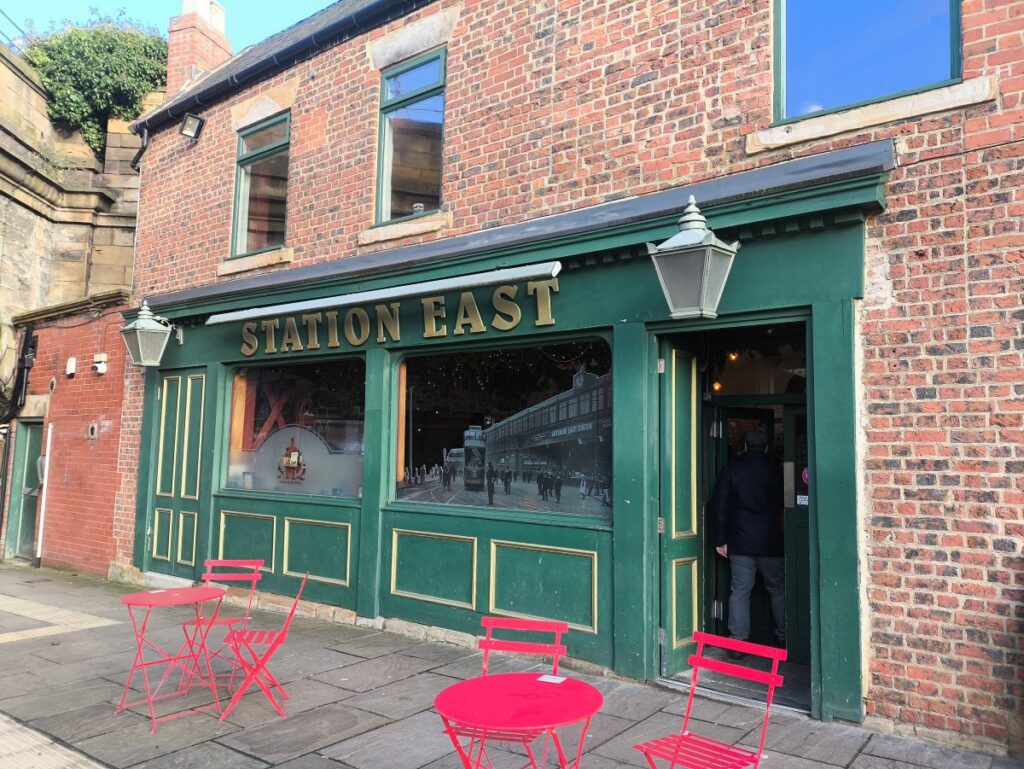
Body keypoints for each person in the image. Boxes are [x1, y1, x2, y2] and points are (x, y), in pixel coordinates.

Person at [711, 429, 785, 659]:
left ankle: (737, 644)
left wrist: (720, 539)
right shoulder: (777, 470)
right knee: (778, 590)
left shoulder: (732, 469)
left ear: (744, 445)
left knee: (740, 591)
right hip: (772, 541)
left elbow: (720, 506)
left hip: (741, 541)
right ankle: (784, 636)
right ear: (765, 447)